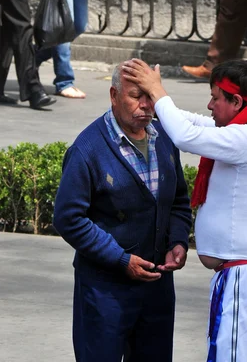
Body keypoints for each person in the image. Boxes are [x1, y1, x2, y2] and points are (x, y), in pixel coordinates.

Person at [123, 57, 247, 362]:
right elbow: (192, 123)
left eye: (216, 98)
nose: (210, 105)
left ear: (237, 101)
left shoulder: (246, 139)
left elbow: (185, 136)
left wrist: (157, 91)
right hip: (246, 276)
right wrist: (157, 102)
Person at [53, 61, 192, 362]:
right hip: (106, 291)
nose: (145, 105)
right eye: (135, 96)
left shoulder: (165, 139)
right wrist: (120, 259)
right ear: (114, 95)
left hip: (157, 287)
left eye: (150, 96)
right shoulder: (87, 149)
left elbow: (179, 200)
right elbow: (68, 218)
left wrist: (178, 242)